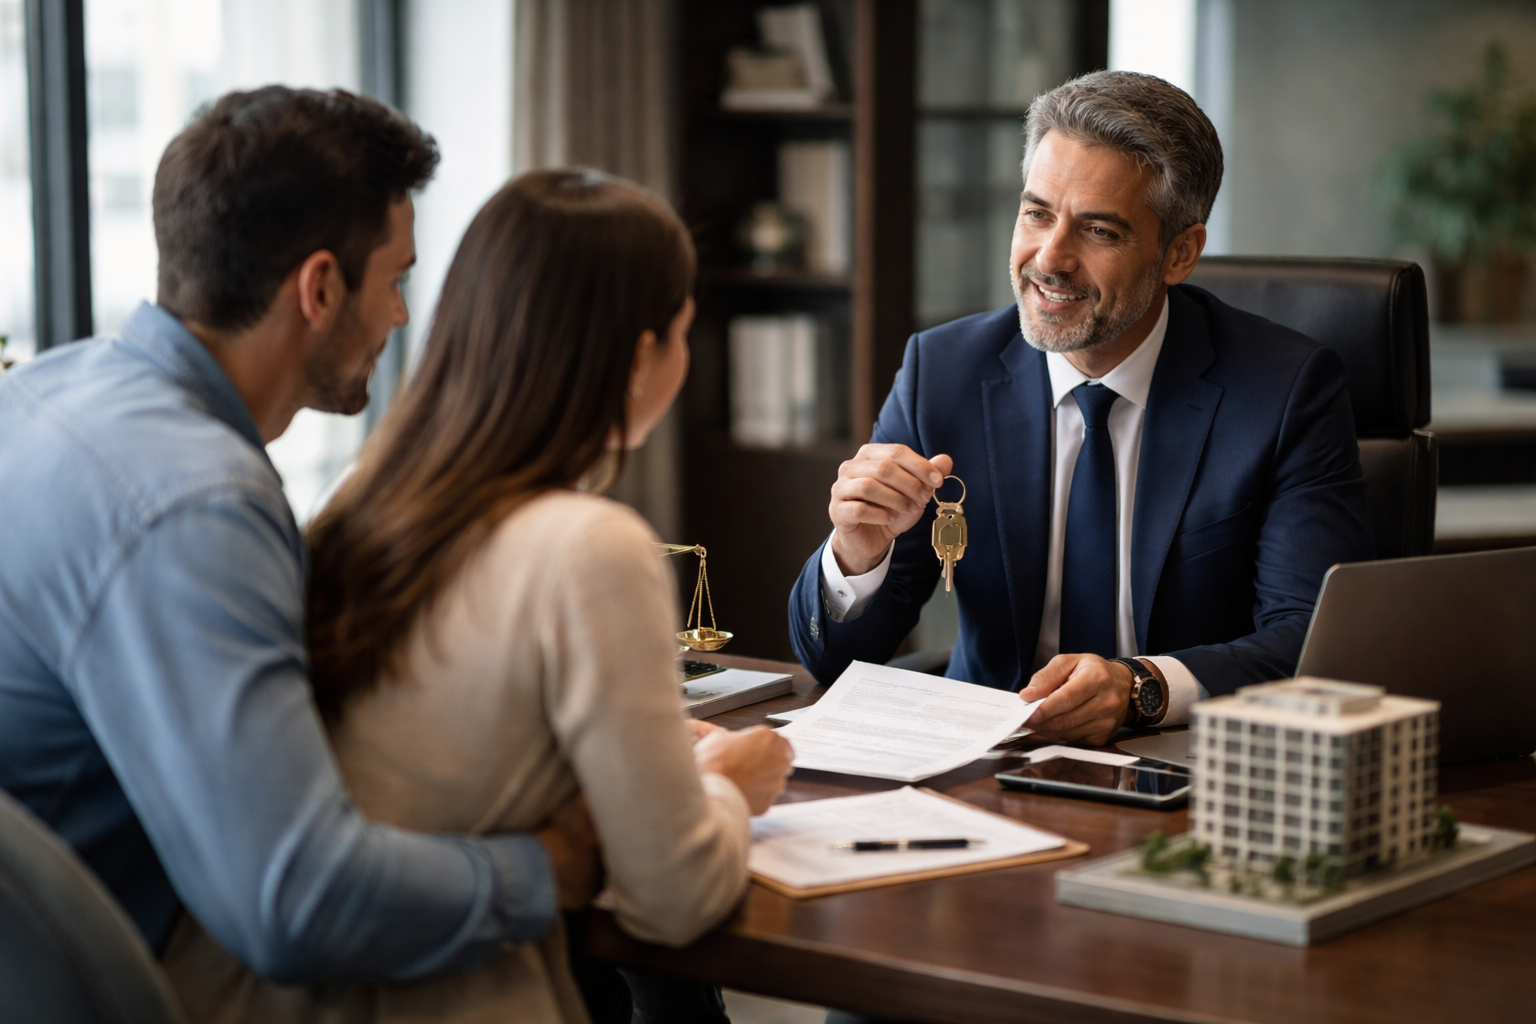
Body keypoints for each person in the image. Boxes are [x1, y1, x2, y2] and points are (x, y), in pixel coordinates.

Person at [161, 169, 795, 1022]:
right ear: (641, 356)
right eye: (684, 332)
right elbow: (672, 898)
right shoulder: (591, 546)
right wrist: (726, 783)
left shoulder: (364, 499)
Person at [0, 87, 598, 984]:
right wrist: (559, 863)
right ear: (320, 287)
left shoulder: (47, 389)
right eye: (395, 280)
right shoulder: (196, 501)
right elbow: (302, 901)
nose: (401, 318)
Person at [789, 70, 1375, 749]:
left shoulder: (1285, 389)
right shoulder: (943, 371)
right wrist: (858, 556)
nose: (1050, 258)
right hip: (988, 762)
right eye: (1037, 213)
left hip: (1183, 764)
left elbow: (1311, 637)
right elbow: (829, 659)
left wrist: (1140, 688)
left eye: (1098, 230)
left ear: (1179, 253)